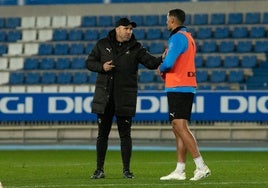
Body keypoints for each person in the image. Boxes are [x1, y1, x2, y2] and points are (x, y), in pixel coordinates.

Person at [86, 17, 164, 179]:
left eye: (131, 29)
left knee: (125, 135)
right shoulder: (102, 44)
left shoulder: (136, 48)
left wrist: (162, 58)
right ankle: (99, 169)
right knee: (102, 135)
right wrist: (102, 67)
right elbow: (89, 62)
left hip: (125, 98)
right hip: (105, 98)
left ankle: (126, 170)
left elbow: (150, 63)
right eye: (126, 28)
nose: (129, 32)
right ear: (117, 29)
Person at [158, 9, 211, 181]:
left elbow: (169, 63)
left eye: (167, 20)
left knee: (180, 126)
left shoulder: (177, 37)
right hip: (182, 85)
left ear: (172, 20)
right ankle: (180, 170)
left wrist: (162, 65)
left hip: (179, 85)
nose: (166, 23)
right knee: (177, 127)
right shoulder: (187, 37)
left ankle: (201, 166)